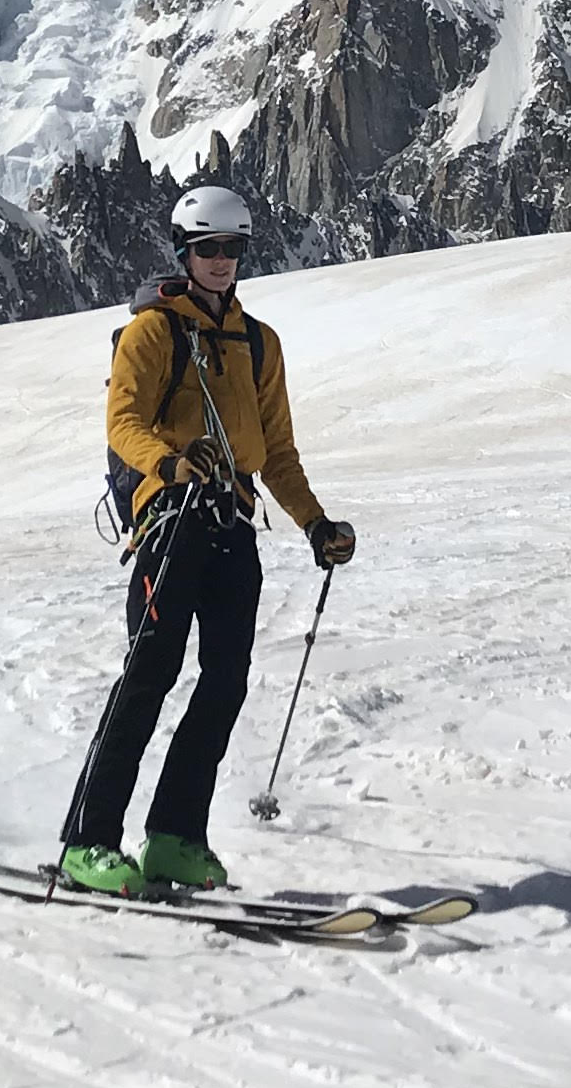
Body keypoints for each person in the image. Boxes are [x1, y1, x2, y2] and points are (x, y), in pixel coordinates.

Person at [59, 183, 358, 895]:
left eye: (232, 249)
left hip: (231, 524)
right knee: (149, 676)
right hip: (171, 523)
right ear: (184, 253)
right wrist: (168, 463)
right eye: (207, 249)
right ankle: (88, 840)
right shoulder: (153, 332)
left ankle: (174, 837)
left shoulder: (260, 344)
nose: (221, 261)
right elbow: (122, 422)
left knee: (225, 681)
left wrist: (314, 522)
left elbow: (276, 451)